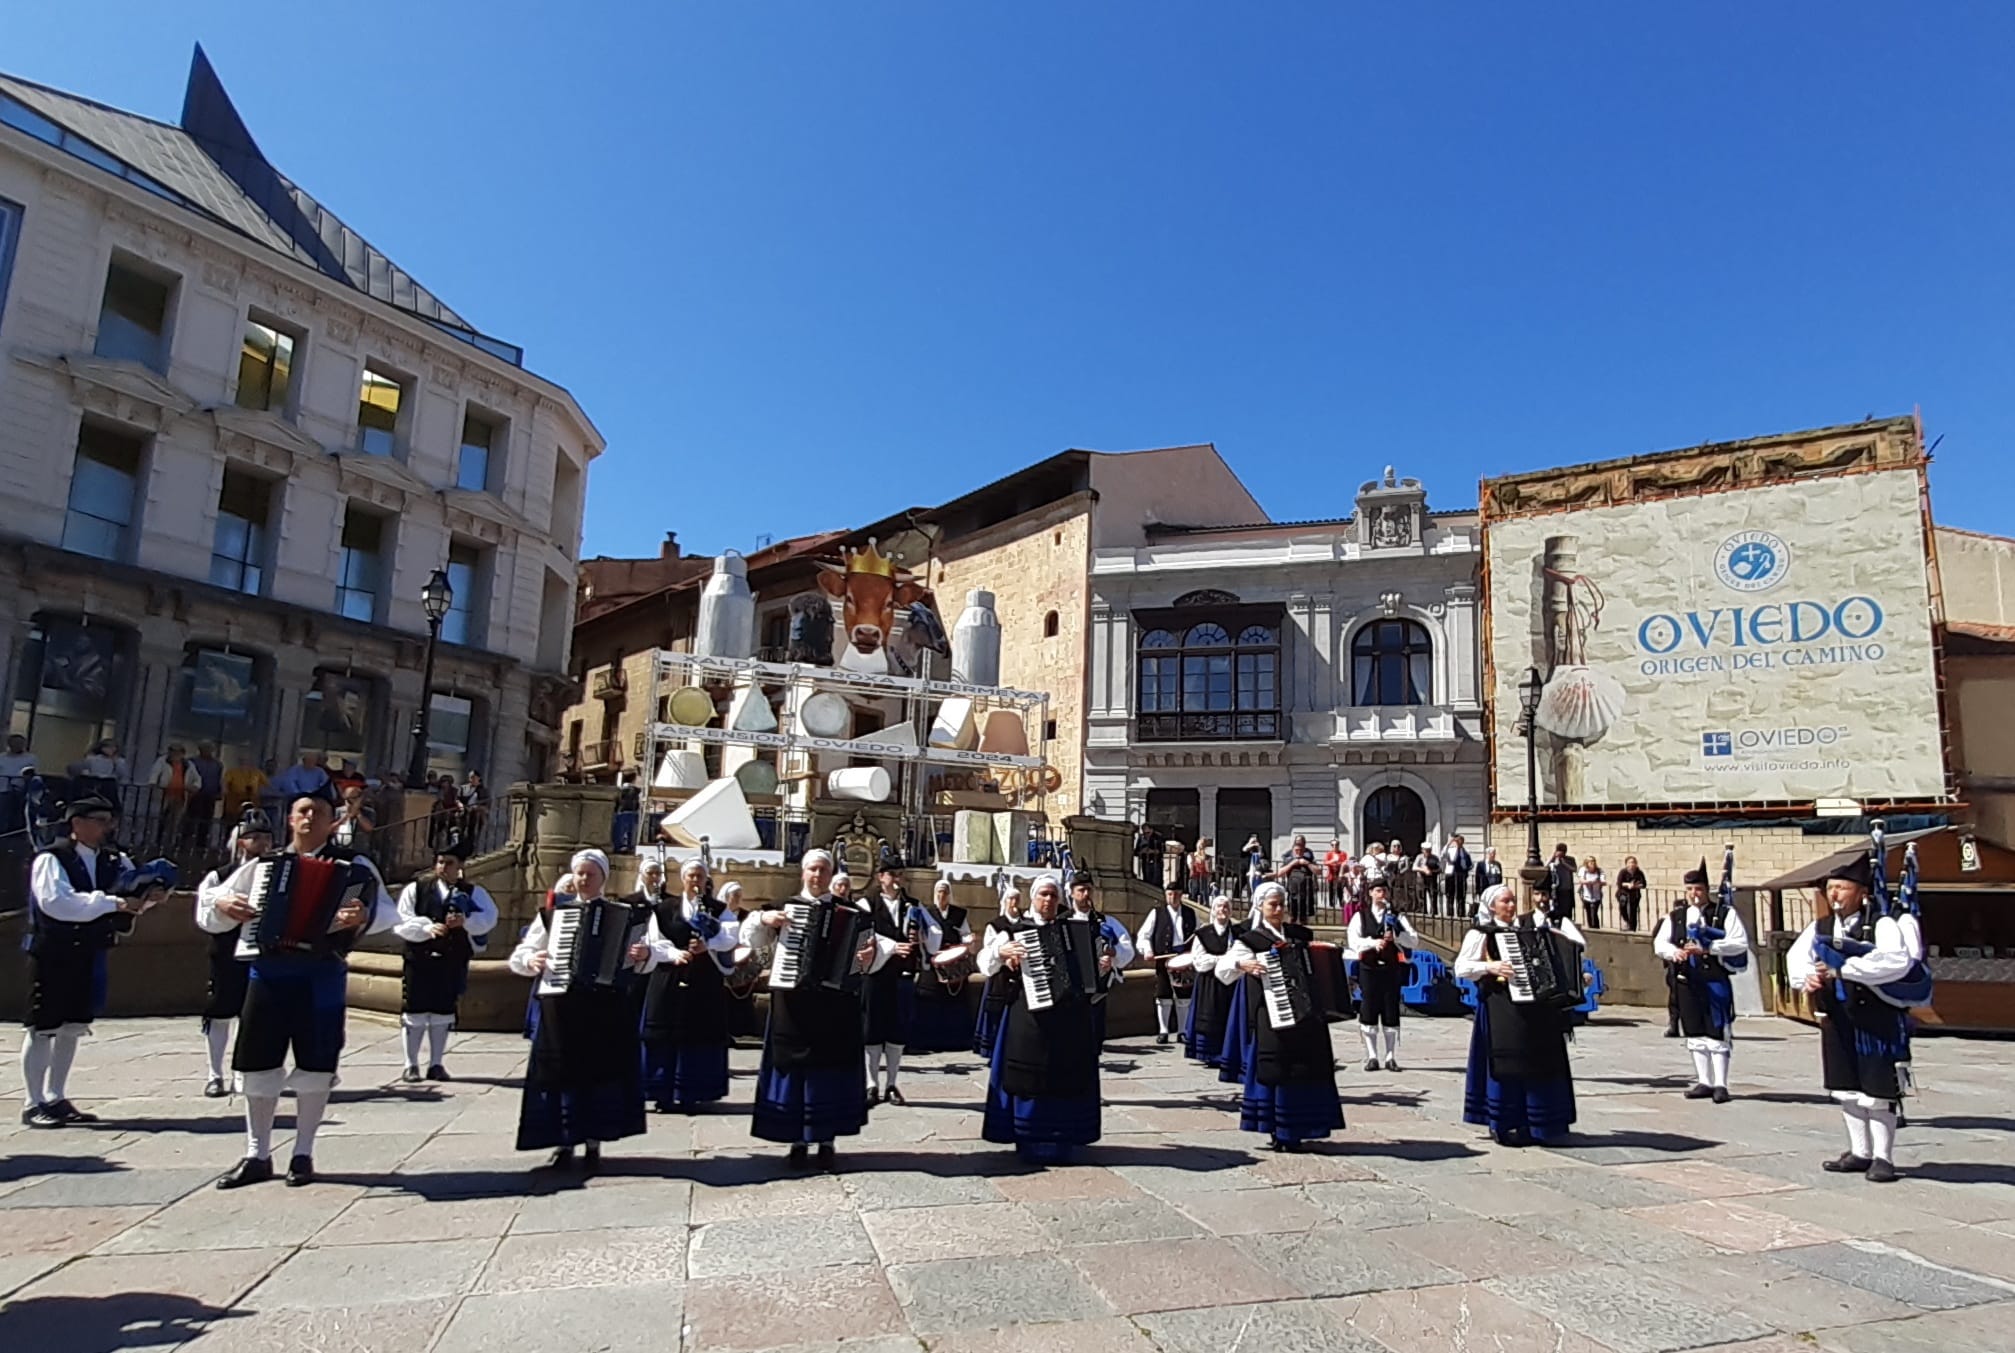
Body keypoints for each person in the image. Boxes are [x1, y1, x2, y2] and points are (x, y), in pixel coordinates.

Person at [211, 783, 395, 1187]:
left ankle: (303, 1153)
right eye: (303, 811)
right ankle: (257, 1153)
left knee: (316, 1064)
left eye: (318, 812)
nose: (309, 818)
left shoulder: (355, 865)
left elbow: (386, 914)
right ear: (291, 819)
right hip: (269, 970)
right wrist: (223, 907)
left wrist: (360, 915)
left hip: (321, 972)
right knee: (258, 1063)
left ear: (333, 823)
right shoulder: (263, 866)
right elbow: (213, 907)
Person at [21, 795, 166, 1125]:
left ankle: (56, 1096)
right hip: (53, 952)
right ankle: (33, 1102)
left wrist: (149, 896)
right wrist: (113, 903)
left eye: (108, 820)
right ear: (76, 824)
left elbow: (132, 896)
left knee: (73, 1026)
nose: (106, 827)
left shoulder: (114, 859)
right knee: (43, 1027)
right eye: (99, 820)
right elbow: (57, 903)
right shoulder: (52, 858)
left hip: (89, 950)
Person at [510, 849, 652, 1171]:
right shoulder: (555, 912)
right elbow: (524, 951)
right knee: (562, 1071)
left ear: (603, 878)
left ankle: (593, 1140)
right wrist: (530, 961)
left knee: (598, 1071)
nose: (584, 879)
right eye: (580, 873)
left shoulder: (625, 914)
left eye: (590, 874)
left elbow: (645, 958)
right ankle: (563, 1139)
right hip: (561, 1002)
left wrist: (644, 954)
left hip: (603, 1005)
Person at [750, 850, 888, 1169]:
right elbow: (751, 939)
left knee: (830, 1070)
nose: (818, 875)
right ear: (803, 873)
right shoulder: (782, 909)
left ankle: (826, 1140)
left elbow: (871, 954)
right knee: (796, 1068)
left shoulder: (853, 912)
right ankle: (797, 1140)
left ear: (831, 875)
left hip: (834, 1006)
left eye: (823, 870)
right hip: (794, 1003)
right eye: (813, 869)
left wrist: (868, 958)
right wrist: (762, 919)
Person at [1786, 854, 1916, 1183]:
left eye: (1842, 888)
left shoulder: (1883, 924)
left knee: (1878, 1092)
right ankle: (1860, 1152)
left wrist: (1845, 969)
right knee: (1846, 1088)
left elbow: (1898, 962)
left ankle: (1883, 1158)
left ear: (1861, 892)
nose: (1834, 894)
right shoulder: (1821, 927)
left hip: (1875, 1020)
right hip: (1836, 1017)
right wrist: (1807, 978)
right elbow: (1796, 958)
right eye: (1830, 888)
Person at [975, 873, 1102, 1164]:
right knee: (1029, 1075)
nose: (1048, 900)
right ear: (1033, 897)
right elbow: (984, 963)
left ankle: (1063, 1139)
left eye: (1053, 895)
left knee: (1065, 1074)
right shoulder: (1014, 929)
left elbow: (1090, 972)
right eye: (1043, 894)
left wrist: (1104, 965)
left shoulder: (1074, 928)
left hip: (1067, 1018)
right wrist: (1000, 951)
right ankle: (1029, 1139)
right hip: (1027, 1013)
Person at [1218, 882, 1344, 1152]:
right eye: (1272, 904)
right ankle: (1277, 1129)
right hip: (1272, 1013)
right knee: (1277, 1069)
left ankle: (1303, 1126)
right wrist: (1243, 964)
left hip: (1306, 1017)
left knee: (1310, 1066)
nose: (1277, 909)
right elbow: (1223, 968)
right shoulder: (1250, 940)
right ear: (1260, 906)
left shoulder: (1300, 935)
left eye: (1281, 904)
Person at [1456, 884, 1582, 1147]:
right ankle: (1502, 1122)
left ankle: (1536, 1122)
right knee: (1506, 1063)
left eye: (1513, 901)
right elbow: (1461, 967)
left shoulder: (1527, 931)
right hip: (1499, 1006)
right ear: (1492, 906)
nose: (1511, 906)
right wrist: (1490, 966)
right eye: (1505, 902)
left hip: (1531, 1010)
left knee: (1535, 1061)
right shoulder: (1482, 934)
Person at [393, 841, 497, 1083]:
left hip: (452, 959)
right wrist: (427, 928)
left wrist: (466, 922)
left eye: (449, 863)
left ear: (460, 866)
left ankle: (436, 1063)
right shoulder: (416, 889)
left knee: (443, 1011)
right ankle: (411, 1064)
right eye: (440, 862)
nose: (443, 867)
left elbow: (488, 919)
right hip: (419, 960)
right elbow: (401, 921)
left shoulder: (473, 892)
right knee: (414, 1011)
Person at [638, 858, 736, 1114]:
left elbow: (729, 936)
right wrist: (673, 954)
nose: (695, 881)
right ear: (683, 879)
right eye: (691, 876)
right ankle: (662, 1092)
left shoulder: (718, 908)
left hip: (703, 981)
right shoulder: (664, 908)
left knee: (698, 1035)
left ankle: (693, 1092)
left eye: (700, 877)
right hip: (669, 977)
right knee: (664, 1034)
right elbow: (653, 939)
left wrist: (709, 945)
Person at [1653, 859, 1751, 1104]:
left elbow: (1739, 942)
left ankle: (1720, 1084)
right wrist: (1674, 953)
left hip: (1714, 980)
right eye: (1689, 890)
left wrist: (1709, 947)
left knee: (1717, 1031)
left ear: (1706, 890)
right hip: (1687, 980)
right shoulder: (1675, 916)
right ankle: (1704, 1081)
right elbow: (1660, 943)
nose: (1693, 894)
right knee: (1694, 1030)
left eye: (1698, 889)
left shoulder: (1724, 913)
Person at [194, 808, 274, 1097]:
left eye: (267, 837)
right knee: (219, 1011)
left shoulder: (277, 872)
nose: (263, 843)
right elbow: (203, 911)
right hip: (227, 949)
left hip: (262, 949)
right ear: (242, 841)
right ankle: (215, 1074)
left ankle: (243, 1072)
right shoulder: (221, 875)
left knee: (251, 1014)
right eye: (256, 837)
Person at [861, 849, 922, 1105]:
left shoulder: (914, 906)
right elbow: (862, 936)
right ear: (880, 877)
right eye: (892, 874)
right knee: (872, 1029)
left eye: (900, 874)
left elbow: (932, 935)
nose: (897, 879)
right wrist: (891, 947)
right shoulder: (867, 903)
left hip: (902, 975)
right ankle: (871, 1083)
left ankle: (892, 1084)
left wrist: (924, 939)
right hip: (875, 974)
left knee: (897, 1030)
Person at [1347, 879, 1420, 1072]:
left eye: (1385, 890)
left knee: (1390, 1008)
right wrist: (1373, 943)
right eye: (1378, 890)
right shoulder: (1360, 917)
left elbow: (1413, 941)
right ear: (1371, 893)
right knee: (1369, 1007)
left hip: (1390, 969)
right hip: (1369, 968)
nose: (1382, 894)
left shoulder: (1397, 917)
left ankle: (1390, 1056)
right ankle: (1372, 1056)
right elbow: (1353, 941)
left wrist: (1396, 936)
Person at [910, 878, 977, 1054]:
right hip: (933, 963)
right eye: (939, 892)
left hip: (953, 963)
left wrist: (968, 941)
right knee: (929, 1002)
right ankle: (926, 1040)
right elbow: (921, 934)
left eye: (945, 892)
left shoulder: (959, 914)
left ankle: (955, 1040)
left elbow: (965, 934)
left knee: (954, 1002)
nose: (942, 896)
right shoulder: (927, 912)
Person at [1066, 871, 1133, 1046]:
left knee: (1093, 1041)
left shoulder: (1106, 922)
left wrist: (1114, 955)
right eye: (1081, 890)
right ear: (1072, 893)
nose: (1086, 894)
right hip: (1068, 992)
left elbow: (1128, 949)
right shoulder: (1062, 922)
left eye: (1089, 890)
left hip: (1096, 991)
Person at [1134, 879, 1196, 1044]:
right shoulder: (1157, 913)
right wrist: (1147, 950)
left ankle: (1182, 1031)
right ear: (1165, 895)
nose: (1173, 897)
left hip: (1184, 959)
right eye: (1169, 894)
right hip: (1163, 958)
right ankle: (1163, 1031)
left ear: (1181, 895)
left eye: (1176, 894)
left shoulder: (1190, 913)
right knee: (1163, 995)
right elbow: (1144, 935)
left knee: (1184, 996)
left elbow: (1198, 935)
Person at [1182, 894, 1240, 1068]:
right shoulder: (1202, 934)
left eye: (1226, 907)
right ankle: (1209, 1054)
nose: (1222, 910)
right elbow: (1199, 961)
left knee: (1229, 1016)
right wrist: (1222, 959)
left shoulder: (1237, 933)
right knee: (1210, 1015)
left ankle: (1227, 1053)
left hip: (1231, 982)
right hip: (1209, 982)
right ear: (1213, 910)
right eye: (1219, 907)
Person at [973, 886, 1025, 1056]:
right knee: (997, 1012)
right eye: (1010, 899)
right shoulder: (996, 925)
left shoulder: (1026, 922)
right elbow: (988, 950)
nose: (1014, 902)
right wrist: (1003, 958)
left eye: (1016, 898)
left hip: (1020, 973)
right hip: (1000, 975)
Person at [185, 742, 224, 850]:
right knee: (191, 818)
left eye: (209, 749)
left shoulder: (217, 764)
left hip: (210, 794)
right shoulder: (192, 762)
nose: (207, 751)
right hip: (195, 794)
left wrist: (219, 792)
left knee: (206, 819)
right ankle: (185, 842)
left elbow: (218, 779)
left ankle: (201, 844)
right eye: (205, 748)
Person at [1277, 834, 1318, 924]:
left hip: (1306, 892)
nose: (1298, 852)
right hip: (1293, 892)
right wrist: (1292, 864)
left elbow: (1319, 871)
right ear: (1293, 851)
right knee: (1292, 917)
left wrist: (1307, 863)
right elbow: (1279, 873)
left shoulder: (1308, 858)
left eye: (1301, 850)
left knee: (1304, 917)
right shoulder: (1289, 860)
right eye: (1296, 850)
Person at [333, 784, 375, 858]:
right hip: (339, 850)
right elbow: (331, 829)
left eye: (353, 799)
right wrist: (346, 816)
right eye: (347, 799)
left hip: (359, 851)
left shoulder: (369, 812)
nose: (349, 802)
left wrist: (358, 814)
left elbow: (369, 828)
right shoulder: (338, 811)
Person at [222, 753, 267, 821]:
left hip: (252, 800)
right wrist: (225, 792)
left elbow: (266, 785)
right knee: (232, 820)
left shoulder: (257, 773)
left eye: (247, 760)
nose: (245, 762)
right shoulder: (232, 772)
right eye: (243, 760)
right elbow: (225, 784)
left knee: (250, 819)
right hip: (235, 801)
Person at [1442, 835, 1473, 921]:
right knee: (1450, 895)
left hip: (1461, 874)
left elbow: (1470, 863)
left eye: (1461, 841)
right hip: (1451, 874)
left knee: (1461, 895)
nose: (1459, 843)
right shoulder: (1451, 850)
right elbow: (1443, 853)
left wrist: (1466, 868)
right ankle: (1450, 914)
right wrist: (1449, 843)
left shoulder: (1465, 852)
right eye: (1457, 841)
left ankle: (1461, 914)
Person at [612, 771, 641, 854]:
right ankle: (630, 848)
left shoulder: (620, 790)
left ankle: (619, 847)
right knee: (631, 832)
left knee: (620, 832)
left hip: (622, 813)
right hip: (632, 813)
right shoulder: (636, 790)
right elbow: (638, 803)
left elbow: (617, 802)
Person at [1547, 843, 1577, 922]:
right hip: (1555, 888)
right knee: (1556, 907)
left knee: (1567, 908)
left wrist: (1564, 863)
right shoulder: (1553, 859)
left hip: (1566, 887)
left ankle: (1566, 921)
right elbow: (1545, 867)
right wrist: (1553, 857)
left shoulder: (1570, 859)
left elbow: (1574, 869)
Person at [1577, 857, 1607, 930]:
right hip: (1586, 894)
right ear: (1586, 863)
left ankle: (1596, 928)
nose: (1592, 863)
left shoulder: (1599, 871)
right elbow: (1581, 880)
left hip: (1596, 895)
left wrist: (1598, 882)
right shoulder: (1583, 870)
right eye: (1590, 861)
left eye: (1593, 861)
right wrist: (1589, 882)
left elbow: (1604, 882)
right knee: (1588, 912)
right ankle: (1591, 927)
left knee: (1594, 913)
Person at [1323, 840, 1347, 911]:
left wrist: (1340, 863)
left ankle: (1341, 902)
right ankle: (1331, 903)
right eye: (1333, 845)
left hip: (1340, 873)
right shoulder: (1329, 854)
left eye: (1336, 845)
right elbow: (1325, 862)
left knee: (1340, 888)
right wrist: (1332, 861)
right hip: (1331, 873)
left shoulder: (1343, 853)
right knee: (1331, 888)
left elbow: (1346, 862)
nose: (1335, 846)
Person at [1187, 840, 1212, 906]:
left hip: (1203, 877)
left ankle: (1204, 905)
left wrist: (1204, 859)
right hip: (1195, 877)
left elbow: (1208, 869)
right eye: (1199, 845)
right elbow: (1190, 867)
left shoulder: (1208, 857)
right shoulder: (1191, 855)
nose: (1200, 847)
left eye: (1202, 845)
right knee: (1193, 893)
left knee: (1204, 894)